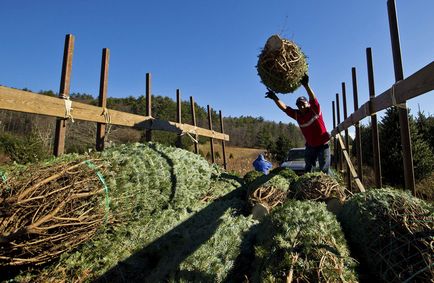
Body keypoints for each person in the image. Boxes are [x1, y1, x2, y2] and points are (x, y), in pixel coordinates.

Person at [265, 74, 331, 174]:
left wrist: (306, 85)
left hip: (323, 144)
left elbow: (313, 98)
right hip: (311, 146)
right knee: (308, 168)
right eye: (299, 105)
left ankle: (332, 186)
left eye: (303, 104)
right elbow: (285, 108)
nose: (301, 107)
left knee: (324, 169)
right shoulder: (297, 115)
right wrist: (275, 98)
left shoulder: (315, 110)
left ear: (308, 104)